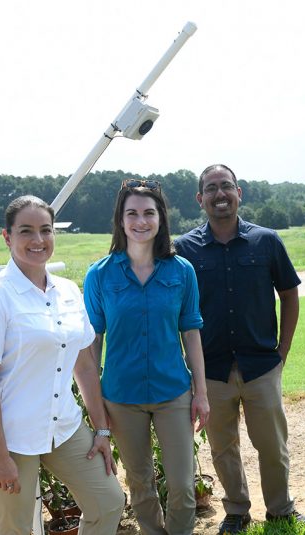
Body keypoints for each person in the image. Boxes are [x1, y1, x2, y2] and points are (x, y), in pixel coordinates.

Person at [0, 195, 124, 535]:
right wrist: (0, 456)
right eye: (26, 231)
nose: (38, 240)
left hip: (61, 425)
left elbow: (84, 364)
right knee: (16, 527)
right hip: (7, 435)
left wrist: (102, 430)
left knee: (108, 502)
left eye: (45, 230)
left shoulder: (68, 291)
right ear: (7, 237)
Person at [173, 164, 305, 535]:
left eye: (226, 186)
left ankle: (280, 508)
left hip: (261, 365)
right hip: (210, 371)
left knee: (273, 445)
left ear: (239, 192)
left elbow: (290, 295)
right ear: (200, 199)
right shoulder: (185, 249)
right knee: (222, 447)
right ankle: (237, 510)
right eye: (211, 189)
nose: (220, 194)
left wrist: (283, 351)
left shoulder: (267, 241)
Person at [83, 179, 210, 535]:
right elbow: (92, 344)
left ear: (160, 218)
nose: (141, 221)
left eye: (149, 213)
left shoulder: (181, 271)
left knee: (183, 484)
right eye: (132, 213)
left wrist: (200, 392)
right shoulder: (100, 275)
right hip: (121, 397)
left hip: (173, 392)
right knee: (140, 484)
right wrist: (96, 405)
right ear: (120, 221)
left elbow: (191, 332)